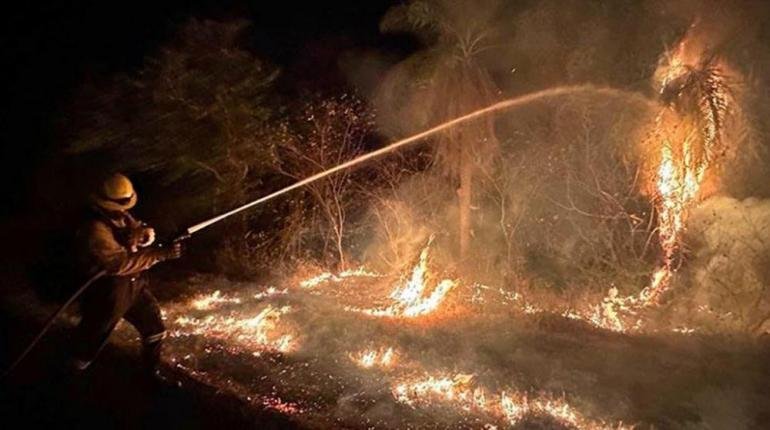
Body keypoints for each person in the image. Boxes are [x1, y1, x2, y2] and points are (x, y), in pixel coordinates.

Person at [71, 173, 182, 377]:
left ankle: (150, 374)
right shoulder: (95, 228)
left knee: (154, 327)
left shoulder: (119, 213)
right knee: (92, 338)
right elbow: (118, 263)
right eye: (120, 204)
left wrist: (145, 234)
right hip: (107, 290)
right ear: (105, 201)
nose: (124, 208)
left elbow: (136, 228)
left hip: (133, 283)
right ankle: (71, 376)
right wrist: (159, 254)